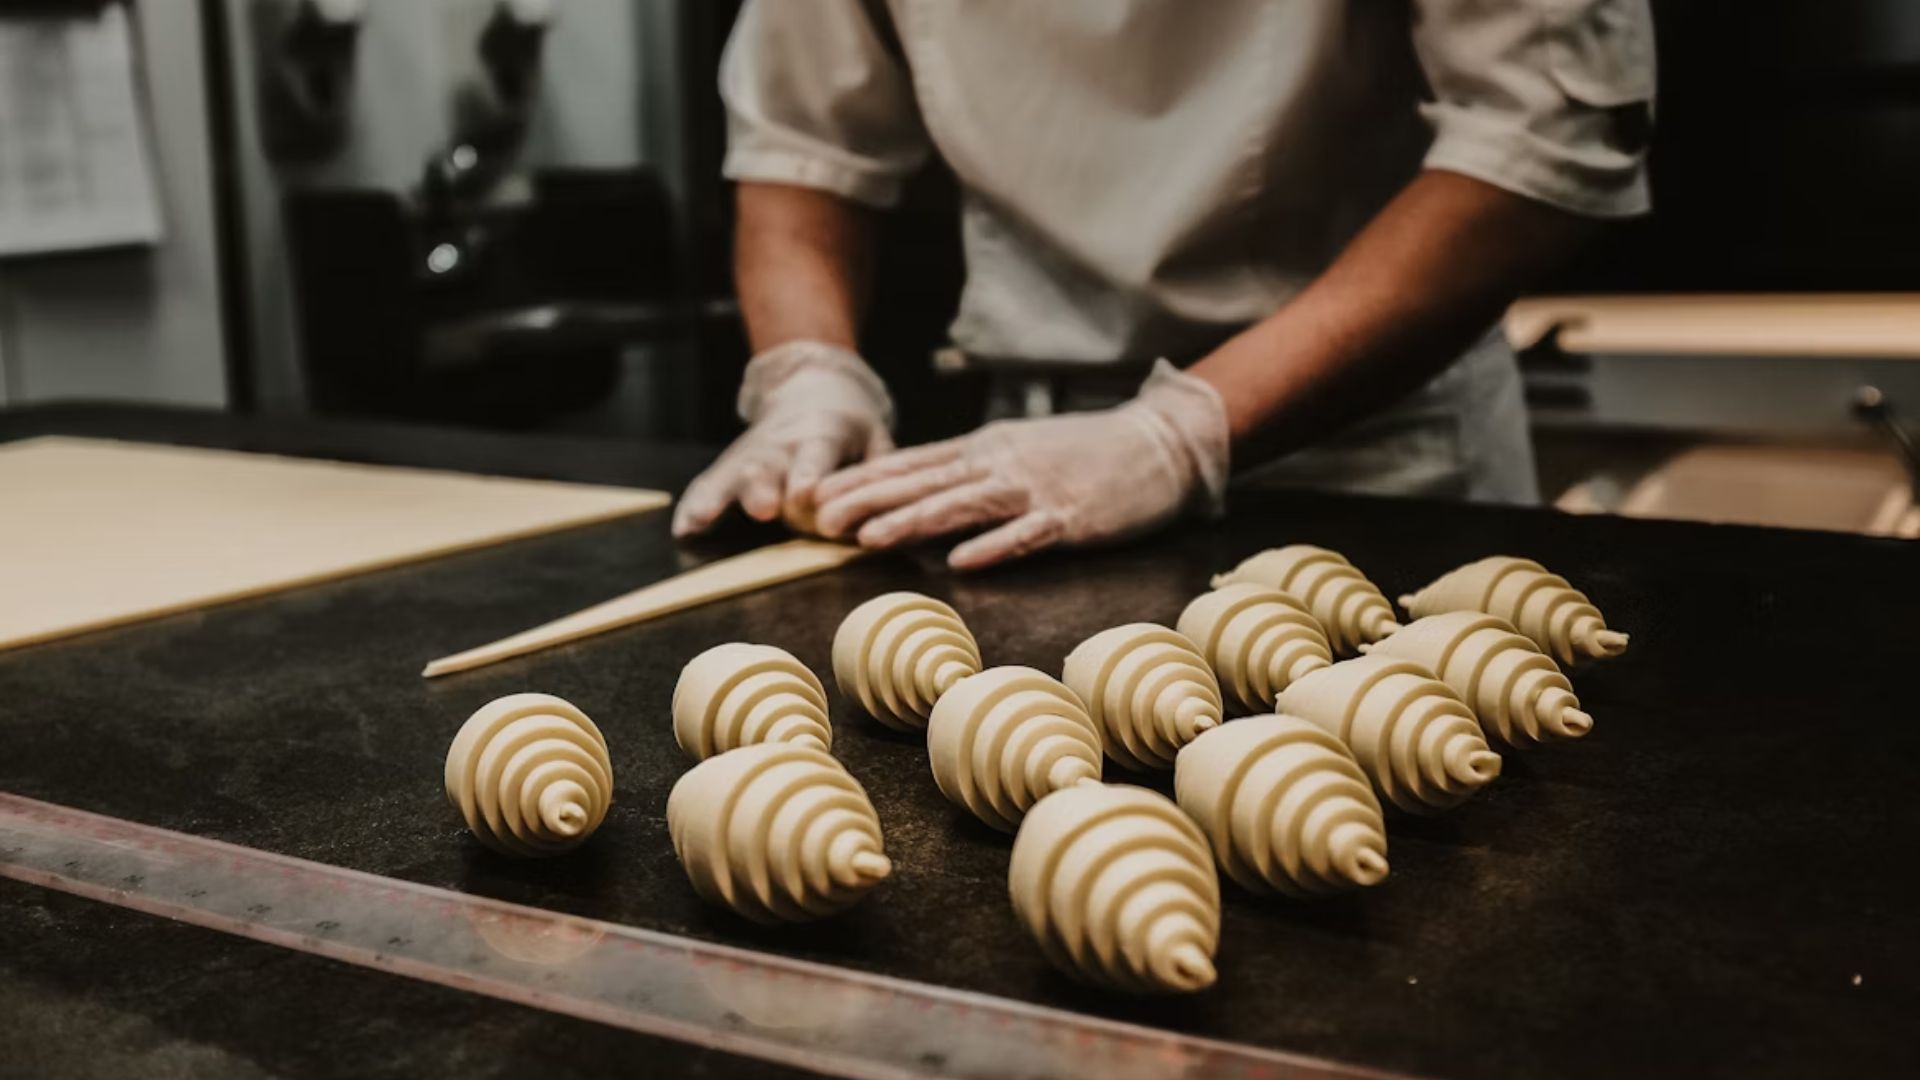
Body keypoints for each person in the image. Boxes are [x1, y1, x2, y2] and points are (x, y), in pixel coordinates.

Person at [672, 1, 1655, 569]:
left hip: (1373, 458)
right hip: (1024, 465)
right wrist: (810, 372)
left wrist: (1180, 434)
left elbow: (1540, 144)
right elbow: (800, 148)